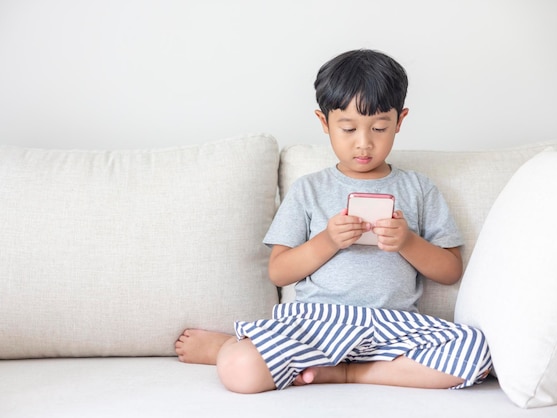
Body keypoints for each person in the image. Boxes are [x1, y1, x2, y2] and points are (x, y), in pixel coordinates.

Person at [175, 49, 492, 394]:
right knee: (241, 370)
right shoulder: (309, 190)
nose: (364, 142)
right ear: (324, 123)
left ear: (400, 122)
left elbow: (450, 271)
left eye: (380, 127)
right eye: (348, 128)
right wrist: (328, 240)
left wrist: (408, 242)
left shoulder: (418, 188)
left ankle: (347, 374)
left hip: (394, 326)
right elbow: (280, 272)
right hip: (317, 323)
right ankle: (228, 346)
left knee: (476, 354)